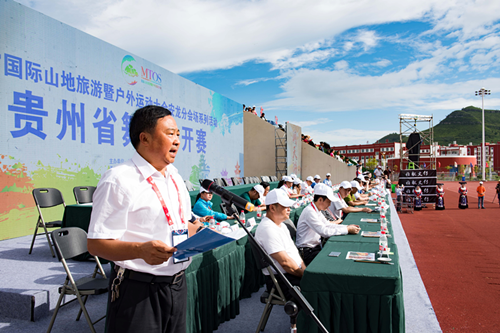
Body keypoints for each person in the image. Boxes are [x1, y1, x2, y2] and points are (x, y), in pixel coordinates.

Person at [87, 105, 204, 333]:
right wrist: (140, 250)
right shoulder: (119, 179)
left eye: (178, 134)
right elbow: (96, 244)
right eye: (170, 134)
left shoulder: (176, 178)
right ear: (145, 138)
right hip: (137, 290)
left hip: (178, 283)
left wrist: (195, 231)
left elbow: (175, 226)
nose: (178, 141)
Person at [254, 189, 305, 300]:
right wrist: (305, 276)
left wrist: (305, 271)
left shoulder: (282, 225)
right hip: (282, 280)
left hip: (292, 274)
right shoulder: (268, 229)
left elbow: (295, 254)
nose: (289, 209)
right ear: (272, 208)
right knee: (317, 292)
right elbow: (285, 263)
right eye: (285, 206)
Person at [296, 183, 360, 265]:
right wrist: (347, 229)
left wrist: (346, 227)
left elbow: (327, 224)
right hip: (307, 252)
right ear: (320, 200)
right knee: (334, 263)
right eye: (328, 202)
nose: (329, 205)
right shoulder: (310, 211)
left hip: (314, 248)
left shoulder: (316, 210)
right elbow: (324, 232)